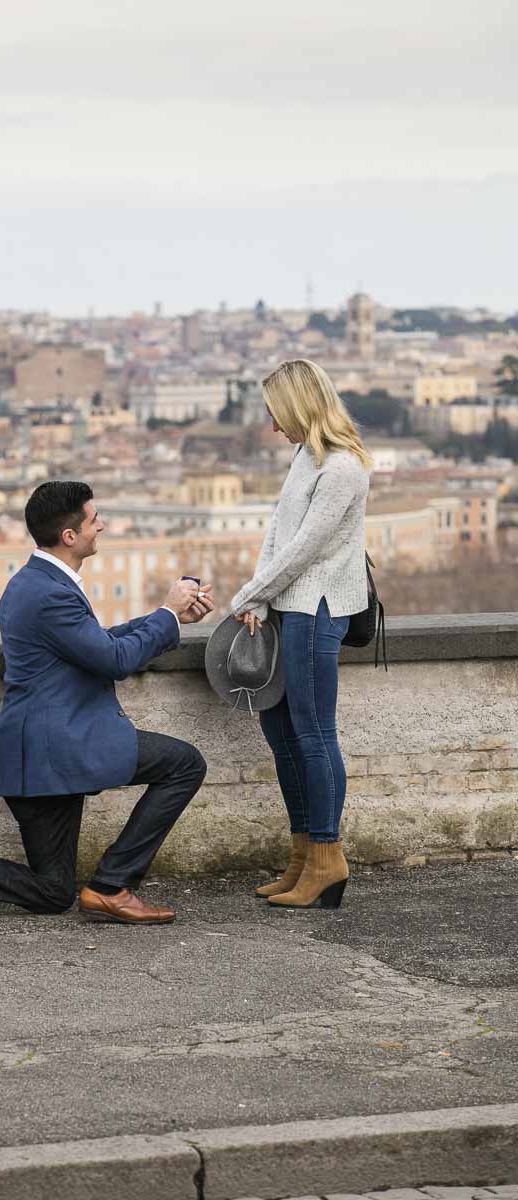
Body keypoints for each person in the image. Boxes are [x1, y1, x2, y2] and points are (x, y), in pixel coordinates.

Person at [0, 480, 214, 926]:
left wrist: (169, 621)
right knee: (185, 764)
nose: (101, 525)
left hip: (39, 753)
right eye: (94, 518)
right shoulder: (52, 594)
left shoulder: (35, 583)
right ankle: (111, 885)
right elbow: (114, 660)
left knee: (53, 890)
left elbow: (94, 644)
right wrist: (166, 612)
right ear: (70, 536)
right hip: (60, 747)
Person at [230, 360, 372, 909]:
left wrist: (252, 593)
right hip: (286, 606)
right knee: (279, 727)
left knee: (313, 733)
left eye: (275, 414)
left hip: (318, 609)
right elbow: (277, 534)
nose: (271, 425)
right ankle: (301, 856)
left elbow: (306, 548)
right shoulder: (304, 458)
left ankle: (327, 858)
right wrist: (259, 596)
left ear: (298, 407)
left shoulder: (342, 468)